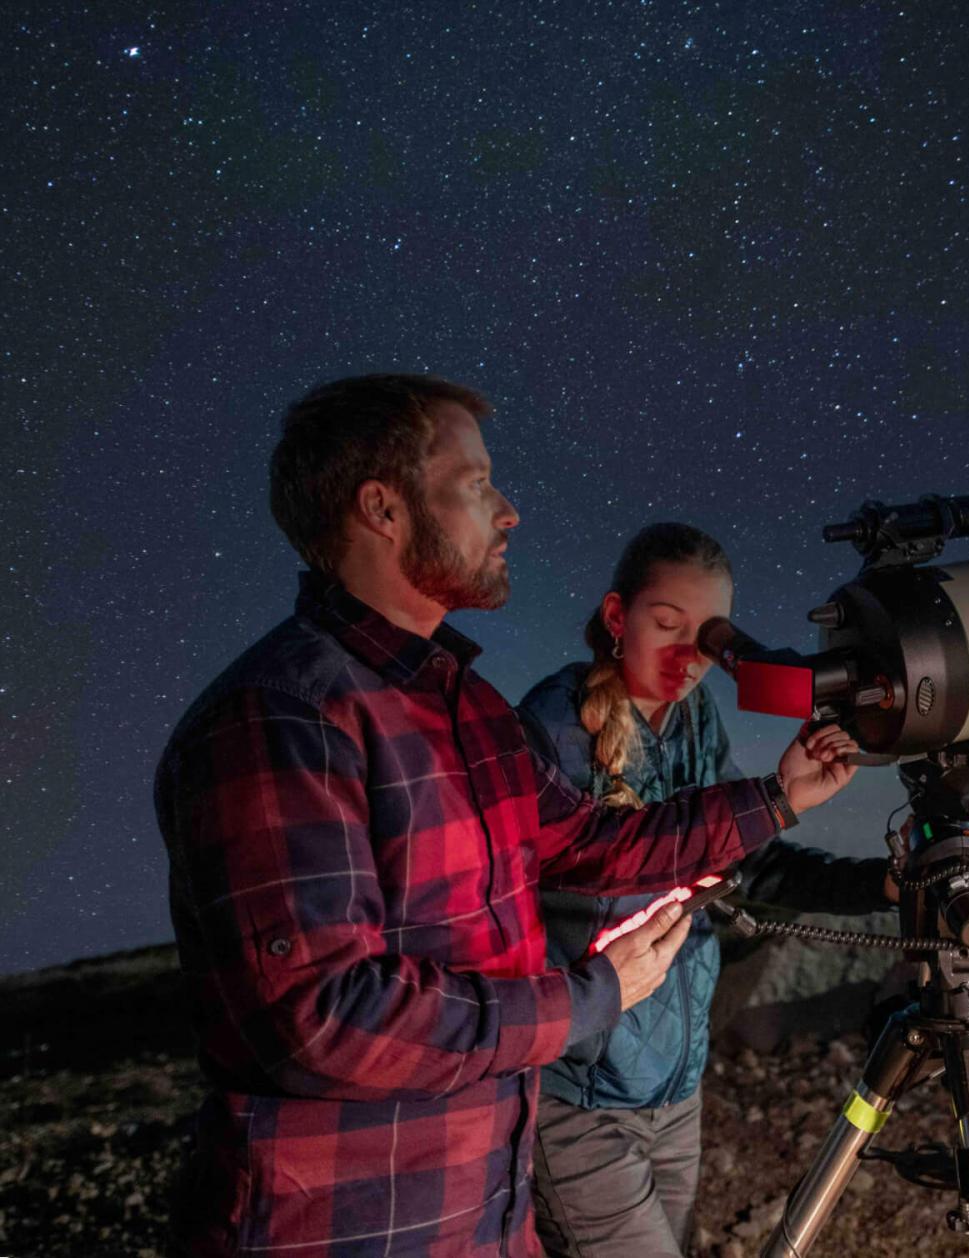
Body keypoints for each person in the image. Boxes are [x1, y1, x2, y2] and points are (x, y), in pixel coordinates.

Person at [152, 374, 858, 1257]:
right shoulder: (280, 716)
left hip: (488, 1205)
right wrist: (589, 999)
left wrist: (778, 796)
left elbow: (599, 843)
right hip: (347, 1223)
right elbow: (321, 1016)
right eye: (476, 483)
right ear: (384, 508)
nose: (510, 510)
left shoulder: (469, 710)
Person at [515, 523, 893, 1257]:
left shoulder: (694, 718)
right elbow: (610, 856)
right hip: (577, 1099)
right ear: (617, 617)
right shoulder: (556, 722)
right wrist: (773, 799)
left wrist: (878, 883)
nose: (689, 656)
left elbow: (740, 861)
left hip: (674, 1090)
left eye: (709, 637)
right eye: (666, 625)